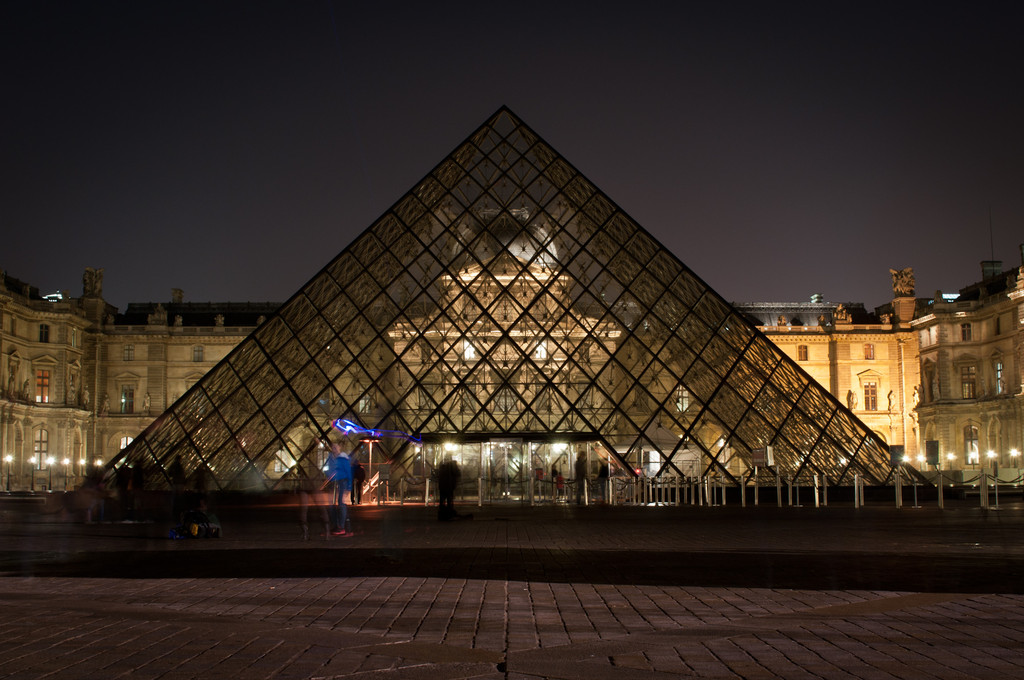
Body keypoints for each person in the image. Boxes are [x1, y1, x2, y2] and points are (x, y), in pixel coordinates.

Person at [327, 445, 352, 535]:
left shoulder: (342, 459)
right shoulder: (333, 458)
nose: (334, 449)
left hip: (342, 482)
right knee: (333, 505)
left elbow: (348, 471)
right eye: (333, 447)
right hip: (335, 482)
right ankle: (337, 526)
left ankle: (341, 527)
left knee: (341, 504)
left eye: (335, 447)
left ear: (339, 449)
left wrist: (349, 486)